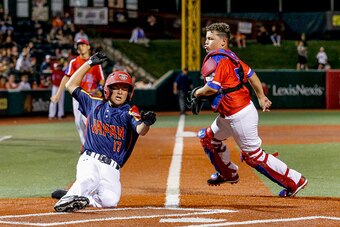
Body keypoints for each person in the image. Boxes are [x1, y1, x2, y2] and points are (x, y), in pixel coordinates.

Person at [190, 22, 308, 197]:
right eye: (205, 38)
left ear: (223, 41)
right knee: (208, 139)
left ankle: (295, 181)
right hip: (231, 113)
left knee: (253, 156)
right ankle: (228, 173)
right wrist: (261, 97)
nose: (205, 42)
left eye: (210, 38)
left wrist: (196, 93)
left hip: (239, 114)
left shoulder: (219, 59)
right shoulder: (230, 56)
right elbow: (251, 75)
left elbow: (213, 88)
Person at [53, 52, 156, 212]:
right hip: (90, 159)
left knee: (110, 201)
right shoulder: (94, 104)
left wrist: (147, 123)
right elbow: (70, 85)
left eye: (124, 89)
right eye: (116, 88)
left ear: (129, 93)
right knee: (88, 179)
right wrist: (89, 63)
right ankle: (65, 202)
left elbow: (140, 130)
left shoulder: (130, 111)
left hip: (112, 168)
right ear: (108, 90)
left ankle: (78, 197)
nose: (121, 92)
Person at [50, 38, 105, 146]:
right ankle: (85, 145)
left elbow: (102, 80)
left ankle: (95, 144)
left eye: (83, 45)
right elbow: (66, 78)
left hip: (91, 96)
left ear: (88, 46)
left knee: (89, 121)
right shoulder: (74, 62)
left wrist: (99, 89)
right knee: (78, 123)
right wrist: (58, 94)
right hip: (77, 95)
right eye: (79, 45)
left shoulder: (95, 62)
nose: (80, 47)